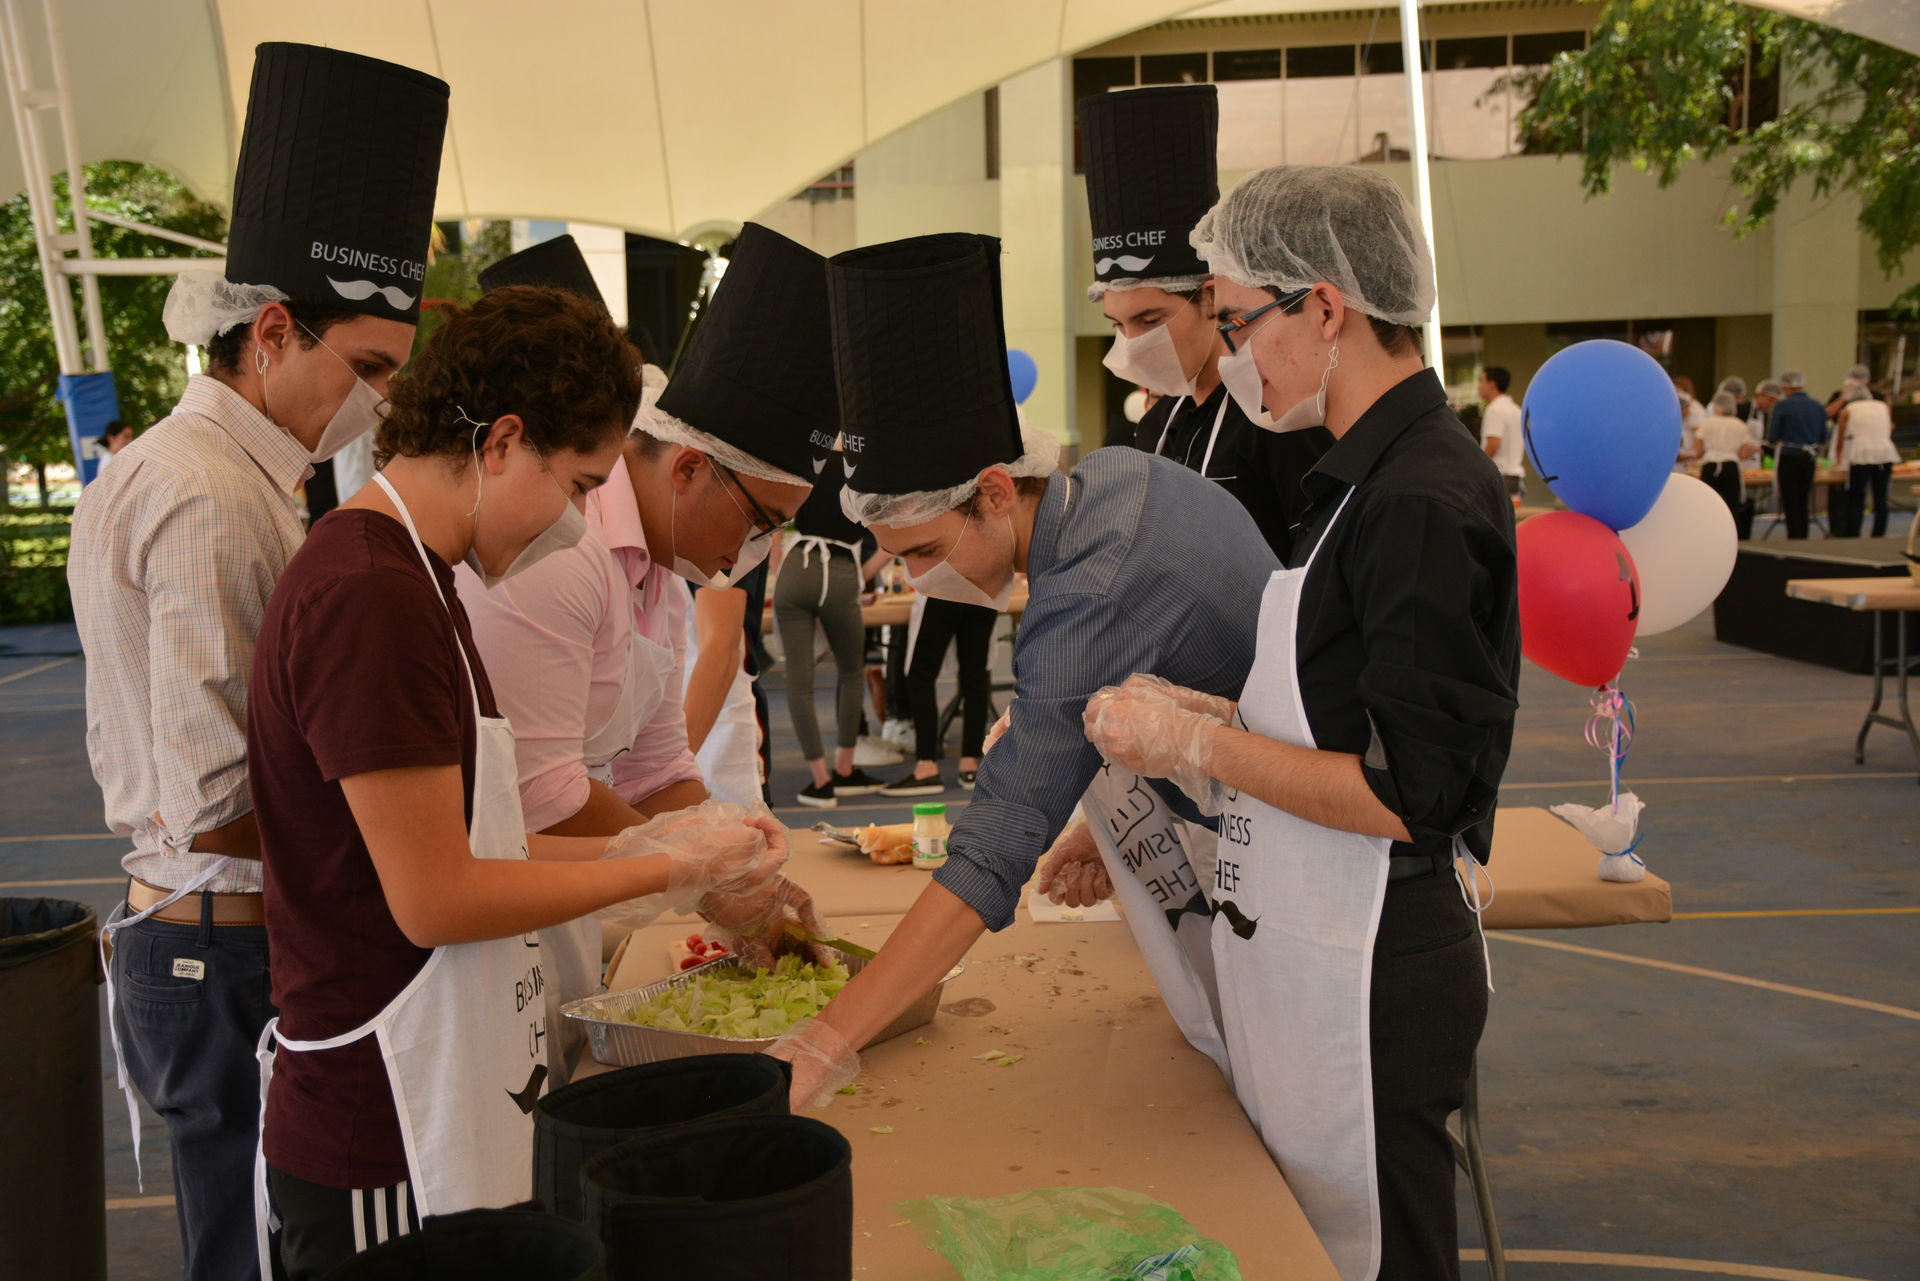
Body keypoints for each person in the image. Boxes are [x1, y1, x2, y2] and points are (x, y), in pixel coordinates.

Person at [247, 284, 812, 1280]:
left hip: (446, 1084)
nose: (578, 520)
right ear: (501, 440)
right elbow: (436, 896)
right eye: (576, 482)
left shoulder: (419, 579)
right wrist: (658, 865)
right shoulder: (370, 594)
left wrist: (655, 847)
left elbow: (485, 842)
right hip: (383, 1122)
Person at [1083, 164, 1519, 1281]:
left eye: (1236, 323)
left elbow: (1406, 795)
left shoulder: (1420, 496)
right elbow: (1337, 708)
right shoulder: (1357, 480)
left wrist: (1203, 747)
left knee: (1383, 1253)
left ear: (1327, 307)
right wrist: (1207, 712)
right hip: (1321, 937)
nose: (1230, 357)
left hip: (1380, 956)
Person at [66, 44, 447, 1281]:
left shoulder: (220, 476)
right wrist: (422, 847)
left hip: (203, 934)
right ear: (272, 333)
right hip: (219, 944)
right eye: (369, 371)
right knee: (254, 1258)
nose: (379, 408)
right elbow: (219, 792)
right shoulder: (211, 494)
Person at [771, 229, 1281, 1125]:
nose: (924, 579)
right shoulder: (1114, 478)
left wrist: (823, 1039)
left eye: (928, 550)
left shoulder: (1087, 590)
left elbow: (994, 847)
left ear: (999, 491)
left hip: (1285, 869)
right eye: (901, 562)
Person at [453, 226, 832, 1074]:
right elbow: (542, 792)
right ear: (690, 468)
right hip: (489, 909)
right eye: (762, 520)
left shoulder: (662, 571)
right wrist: (699, 871)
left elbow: (659, 764)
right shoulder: (567, 546)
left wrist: (732, 864)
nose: (758, 550)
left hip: (564, 904)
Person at [1081, 83, 1330, 561]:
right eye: (1118, 324)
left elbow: (1309, 573)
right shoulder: (1156, 427)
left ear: (1210, 297)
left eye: (1149, 318)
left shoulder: (1276, 421)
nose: (1132, 343)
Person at [779, 443, 893, 807]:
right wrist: (861, 577)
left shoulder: (805, 458)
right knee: (851, 672)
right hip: (842, 569)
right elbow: (891, 543)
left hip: (797, 566)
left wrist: (774, 569)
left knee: (799, 684)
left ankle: (820, 780)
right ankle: (845, 769)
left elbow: (772, 523)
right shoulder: (867, 470)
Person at [879, 594, 999, 796]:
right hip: (982, 592)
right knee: (975, 677)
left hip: (942, 589)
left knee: (920, 677)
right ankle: (970, 764)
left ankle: (927, 765)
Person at [1833, 383, 1900, 538]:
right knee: (1880, 497)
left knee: (1856, 496)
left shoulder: (1847, 410)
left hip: (1861, 454)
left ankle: (1853, 532)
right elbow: (1887, 428)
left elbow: (1840, 438)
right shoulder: (1884, 406)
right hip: (1885, 454)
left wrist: (1838, 460)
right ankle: (1879, 533)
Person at [1768, 371, 1829, 539]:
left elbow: (1773, 437)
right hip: (1809, 458)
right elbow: (1824, 436)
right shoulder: (1817, 406)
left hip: (1789, 456)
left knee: (1790, 498)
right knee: (1803, 497)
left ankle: (1794, 536)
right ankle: (1804, 534)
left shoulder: (1782, 406)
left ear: (1786, 387)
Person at [1695, 390, 1759, 537]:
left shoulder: (1706, 423)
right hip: (1730, 465)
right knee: (1731, 505)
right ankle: (1732, 536)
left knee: (1708, 503)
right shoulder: (1740, 425)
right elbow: (1743, 454)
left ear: (1716, 406)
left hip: (1710, 465)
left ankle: (1708, 534)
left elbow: (1698, 451)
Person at [1478, 366, 1525, 498]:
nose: (1479, 386)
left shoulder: (1495, 409)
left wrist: (1476, 466)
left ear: (1492, 385)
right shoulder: (1515, 409)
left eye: (1481, 381)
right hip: (1515, 477)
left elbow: (1493, 444)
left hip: (1500, 477)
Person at [1673, 375, 1707, 468]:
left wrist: (1686, 455)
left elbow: (1700, 443)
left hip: (1689, 462)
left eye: (1679, 389)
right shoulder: (1674, 408)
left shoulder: (1695, 410)